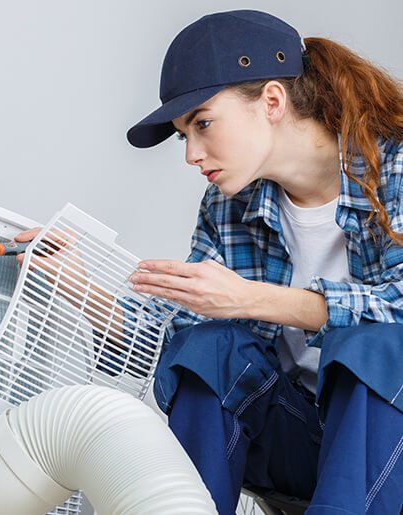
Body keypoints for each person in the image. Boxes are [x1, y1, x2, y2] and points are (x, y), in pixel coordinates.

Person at [124, 9, 403, 515]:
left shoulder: (396, 167)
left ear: (272, 101)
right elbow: (176, 327)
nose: (191, 154)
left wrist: (252, 299)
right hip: (306, 446)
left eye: (203, 124)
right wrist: (78, 285)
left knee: (371, 343)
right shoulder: (230, 205)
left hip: (391, 445)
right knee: (208, 347)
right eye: (185, 135)